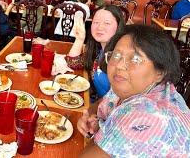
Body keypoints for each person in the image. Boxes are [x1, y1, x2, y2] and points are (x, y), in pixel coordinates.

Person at [78, 24, 190, 157]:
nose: (119, 65)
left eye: (136, 59)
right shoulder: (134, 85)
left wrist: (103, 132)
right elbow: (107, 99)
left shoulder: (147, 114)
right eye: (116, 55)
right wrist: (91, 114)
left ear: (160, 72)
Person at [66, 5, 125, 98]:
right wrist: (79, 39)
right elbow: (73, 63)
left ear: (118, 26)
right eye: (96, 22)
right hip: (94, 103)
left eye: (107, 23)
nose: (100, 27)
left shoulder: (120, 58)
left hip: (105, 110)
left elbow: (116, 100)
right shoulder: (99, 50)